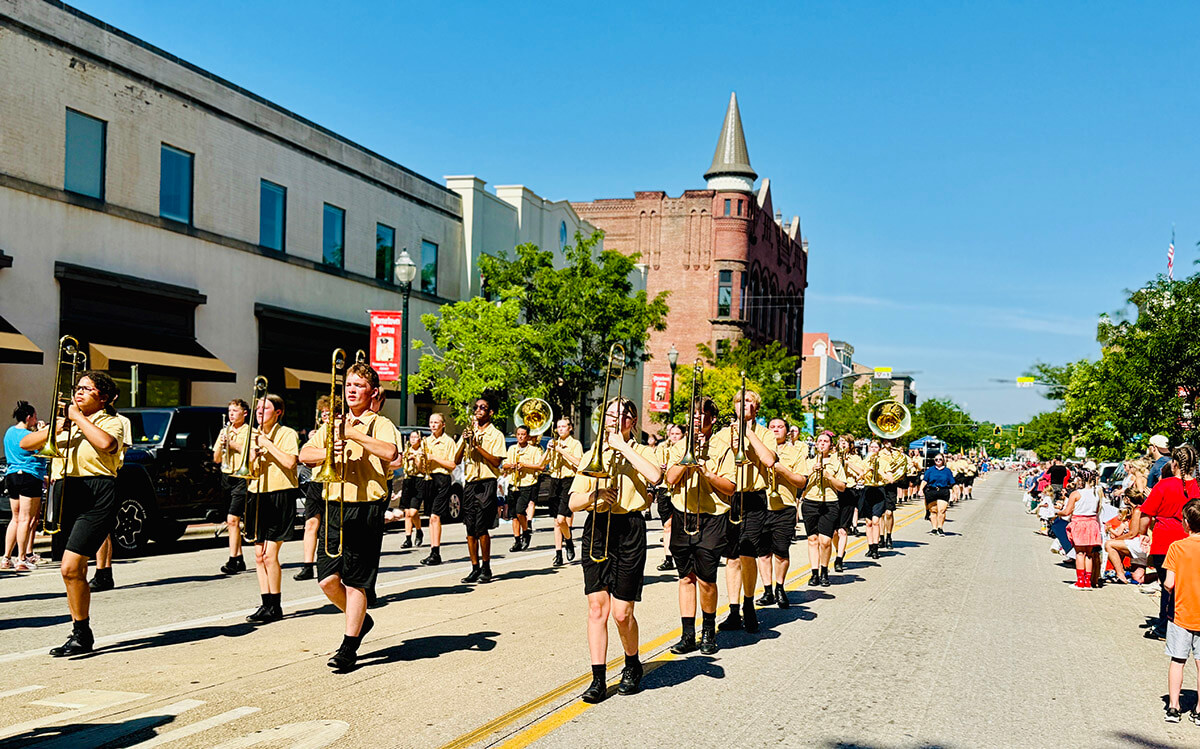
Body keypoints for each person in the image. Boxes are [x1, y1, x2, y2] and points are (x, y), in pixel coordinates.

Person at [299, 361, 399, 670]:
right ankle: (361, 619)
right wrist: (329, 452)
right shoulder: (332, 424)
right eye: (349, 385)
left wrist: (353, 435)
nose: (352, 390)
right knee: (328, 580)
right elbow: (303, 455)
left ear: (372, 392)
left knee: (357, 581)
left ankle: (348, 646)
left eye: (358, 385)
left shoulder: (379, 423)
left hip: (366, 506)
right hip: (334, 505)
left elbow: (391, 453)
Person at [20, 371, 124, 656]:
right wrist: (56, 428)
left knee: (69, 567)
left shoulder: (112, 422)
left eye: (86, 389)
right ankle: (81, 631)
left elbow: (106, 445)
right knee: (72, 572)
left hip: (97, 493)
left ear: (102, 397)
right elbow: (26, 445)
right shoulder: (65, 424)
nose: (78, 393)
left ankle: (82, 632)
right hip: (68, 493)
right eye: (77, 388)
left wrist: (77, 419)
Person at [569, 397, 662, 703]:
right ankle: (597, 678)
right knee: (597, 608)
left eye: (622, 415)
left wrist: (622, 447)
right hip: (597, 528)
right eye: (609, 414)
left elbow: (656, 476)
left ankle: (632, 662)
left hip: (630, 529)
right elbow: (573, 503)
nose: (614, 419)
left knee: (622, 614)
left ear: (632, 422)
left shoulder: (642, 451)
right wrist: (594, 493)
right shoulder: (591, 453)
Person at [665, 397, 735, 655]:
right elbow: (670, 479)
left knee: (706, 579)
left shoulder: (722, 447)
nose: (695, 419)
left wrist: (708, 473)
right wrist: (687, 457)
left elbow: (730, 487)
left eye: (701, 414)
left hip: (712, 515)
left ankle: (708, 629)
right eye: (692, 415)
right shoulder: (679, 445)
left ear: (712, 419)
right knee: (686, 577)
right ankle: (687, 634)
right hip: (683, 513)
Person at [719, 387, 777, 633]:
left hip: (754, 498)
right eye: (739, 401)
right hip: (730, 497)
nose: (744, 405)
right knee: (731, 558)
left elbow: (769, 460)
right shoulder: (724, 434)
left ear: (757, 407)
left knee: (747, 552)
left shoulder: (765, 433)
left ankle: (749, 604)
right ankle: (733, 610)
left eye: (749, 401)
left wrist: (749, 434)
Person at [243, 393, 300, 624]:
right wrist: (254, 456)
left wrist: (267, 444)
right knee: (258, 556)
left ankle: (275, 604)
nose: (259, 412)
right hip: (257, 494)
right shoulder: (253, 435)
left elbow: (290, 462)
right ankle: (265, 602)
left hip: (280, 493)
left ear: (278, 412)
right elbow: (249, 470)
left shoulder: (287, 433)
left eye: (265, 408)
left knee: (269, 554)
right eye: (257, 408)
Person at [1140, 445, 1198, 641]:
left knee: (1167, 584)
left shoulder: (1163, 486)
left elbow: (1145, 513)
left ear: (1174, 463)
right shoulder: (1197, 487)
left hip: (1165, 539)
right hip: (1192, 541)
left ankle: (1165, 626)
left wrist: (1143, 533)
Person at [454, 394, 505, 583]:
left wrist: (477, 447)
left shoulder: (496, 434)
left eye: (482, 408)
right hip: (470, 483)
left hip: (486, 482)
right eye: (476, 407)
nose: (478, 411)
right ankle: (474, 567)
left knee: (482, 528)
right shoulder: (469, 431)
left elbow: (497, 461)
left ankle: (486, 567)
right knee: (470, 528)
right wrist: (466, 441)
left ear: (490, 412)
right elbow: (456, 460)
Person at [1162, 498, 1200, 724]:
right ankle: (1199, 710)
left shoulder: (1176, 547)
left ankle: (1174, 707)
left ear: (1186, 523)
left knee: (1178, 659)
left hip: (1181, 612)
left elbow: (1169, 583)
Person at [87, 410, 130, 592]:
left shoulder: (120, 421)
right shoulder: (82, 419)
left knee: (102, 526)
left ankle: (102, 571)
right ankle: (101, 571)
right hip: (82, 476)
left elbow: (120, 448)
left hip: (107, 474)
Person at [762, 417, 804, 606]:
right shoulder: (760, 450)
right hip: (762, 506)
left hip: (784, 507)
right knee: (763, 553)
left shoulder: (795, 453)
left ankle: (780, 587)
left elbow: (801, 481)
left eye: (780, 427)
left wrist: (782, 470)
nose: (776, 430)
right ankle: (767, 590)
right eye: (772, 427)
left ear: (787, 431)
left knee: (781, 552)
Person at [798, 431, 847, 587]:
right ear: (816, 444)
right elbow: (801, 484)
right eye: (820, 441)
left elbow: (842, 487)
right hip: (811, 502)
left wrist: (828, 476)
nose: (822, 443)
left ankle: (824, 570)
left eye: (826, 441)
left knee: (825, 541)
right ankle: (814, 573)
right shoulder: (807, 462)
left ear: (830, 445)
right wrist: (813, 470)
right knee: (812, 539)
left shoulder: (835, 463)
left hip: (830, 502)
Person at [3, 401, 46, 572]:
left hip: (12, 474)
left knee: (15, 517)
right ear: (29, 417)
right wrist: (42, 432)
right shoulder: (28, 435)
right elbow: (42, 449)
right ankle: (21, 558)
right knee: (26, 519)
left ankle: (6, 557)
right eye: (34, 417)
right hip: (30, 475)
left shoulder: (9, 432)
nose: (36, 420)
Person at [294, 396, 330, 581]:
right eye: (323, 412)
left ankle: (326, 563)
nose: (325, 415)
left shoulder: (338, 431)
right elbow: (305, 459)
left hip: (333, 484)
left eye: (328, 412)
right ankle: (307, 565)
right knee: (310, 524)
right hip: (316, 482)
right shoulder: (317, 435)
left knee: (327, 527)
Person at [213, 398, 251, 575]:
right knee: (231, 521)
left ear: (244, 413)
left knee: (232, 519)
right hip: (227, 476)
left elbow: (249, 453)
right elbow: (216, 459)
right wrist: (221, 445)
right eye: (229, 411)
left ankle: (233, 558)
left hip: (242, 477)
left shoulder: (250, 432)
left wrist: (232, 444)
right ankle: (239, 558)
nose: (231, 414)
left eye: (235, 411)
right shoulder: (224, 431)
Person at [544, 418, 583, 567]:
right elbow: (543, 464)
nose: (560, 429)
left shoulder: (575, 444)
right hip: (555, 481)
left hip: (568, 480)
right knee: (556, 521)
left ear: (570, 428)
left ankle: (569, 541)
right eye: (558, 427)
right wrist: (548, 450)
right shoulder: (553, 443)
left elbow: (579, 462)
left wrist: (561, 451)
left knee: (562, 519)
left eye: (563, 426)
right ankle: (558, 553)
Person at [420, 413, 457, 566]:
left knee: (436, 516)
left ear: (443, 425)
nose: (433, 425)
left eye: (436, 422)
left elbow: (452, 465)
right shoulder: (425, 441)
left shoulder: (448, 442)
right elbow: (421, 467)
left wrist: (433, 458)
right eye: (431, 422)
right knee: (430, 517)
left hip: (442, 479)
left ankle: (436, 552)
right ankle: (432, 550)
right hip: (429, 479)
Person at [1057, 469, 1103, 589]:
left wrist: (1057, 513)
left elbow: (1067, 511)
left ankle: (1080, 581)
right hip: (1092, 523)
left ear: (1080, 479)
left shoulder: (1076, 494)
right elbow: (1097, 510)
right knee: (1089, 554)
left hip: (1079, 523)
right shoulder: (1096, 493)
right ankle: (1088, 581)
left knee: (1080, 553)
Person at [503, 425, 543, 552]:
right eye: (518, 434)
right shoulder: (512, 449)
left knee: (520, 511)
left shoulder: (534, 450)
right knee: (514, 515)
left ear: (528, 436)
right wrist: (511, 465)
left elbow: (540, 466)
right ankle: (517, 540)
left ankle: (526, 532)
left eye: (523, 434)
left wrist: (524, 465)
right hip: (513, 483)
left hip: (527, 483)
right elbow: (504, 465)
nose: (520, 437)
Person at [832, 433, 866, 573]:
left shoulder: (856, 458)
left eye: (845, 442)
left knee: (842, 530)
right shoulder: (832, 456)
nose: (842, 444)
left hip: (849, 492)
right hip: (834, 493)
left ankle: (839, 559)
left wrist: (847, 463)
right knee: (833, 532)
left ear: (850, 444)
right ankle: (839, 549)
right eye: (840, 441)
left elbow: (862, 472)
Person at [860, 439, 898, 558]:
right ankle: (870, 546)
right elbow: (859, 477)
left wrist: (880, 472)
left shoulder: (884, 462)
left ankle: (876, 548)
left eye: (876, 448)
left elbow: (891, 479)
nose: (873, 450)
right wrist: (866, 471)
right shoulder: (865, 461)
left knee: (876, 520)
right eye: (872, 447)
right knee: (868, 522)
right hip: (867, 490)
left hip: (879, 491)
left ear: (880, 449)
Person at [656, 423, 684, 571]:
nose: (674, 436)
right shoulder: (662, 448)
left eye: (677, 433)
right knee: (667, 525)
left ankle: (680, 555)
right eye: (672, 433)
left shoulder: (685, 449)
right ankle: (668, 558)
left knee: (678, 525)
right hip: (664, 488)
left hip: (680, 489)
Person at [399, 430, 427, 549]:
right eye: (411, 437)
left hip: (419, 480)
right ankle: (408, 538)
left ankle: (419, 530)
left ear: (420, 439)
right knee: (407, 512)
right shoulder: (407, 450)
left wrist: (415, 459)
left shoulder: (423, 451)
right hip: (408, 480)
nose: (413, 439)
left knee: (413, 512)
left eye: (415, 437)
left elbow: (422, 468)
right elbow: (402, 466)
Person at [878, 439, 907, 549]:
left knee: (889, 512)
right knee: (880, 513)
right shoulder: (878, 453)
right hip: (879, 484)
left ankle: (889, 536)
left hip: (891, 485)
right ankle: (881, 537)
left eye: (890, 440)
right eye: (886, 440)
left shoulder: (897, 454)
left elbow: (903, 468)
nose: (888, 442)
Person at [920, 454, 955, 536]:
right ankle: (934, 528)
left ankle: (940, 527)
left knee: (942, 510)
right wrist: (921, 489)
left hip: (943, 491)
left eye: (940, 459)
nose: (938, 461)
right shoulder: (930, 470)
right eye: (936, 459)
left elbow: (952, 483)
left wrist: (955, 493)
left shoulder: (947, 471)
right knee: (933, 510)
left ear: (943, 460)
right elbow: (925, 480)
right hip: (932, 491)